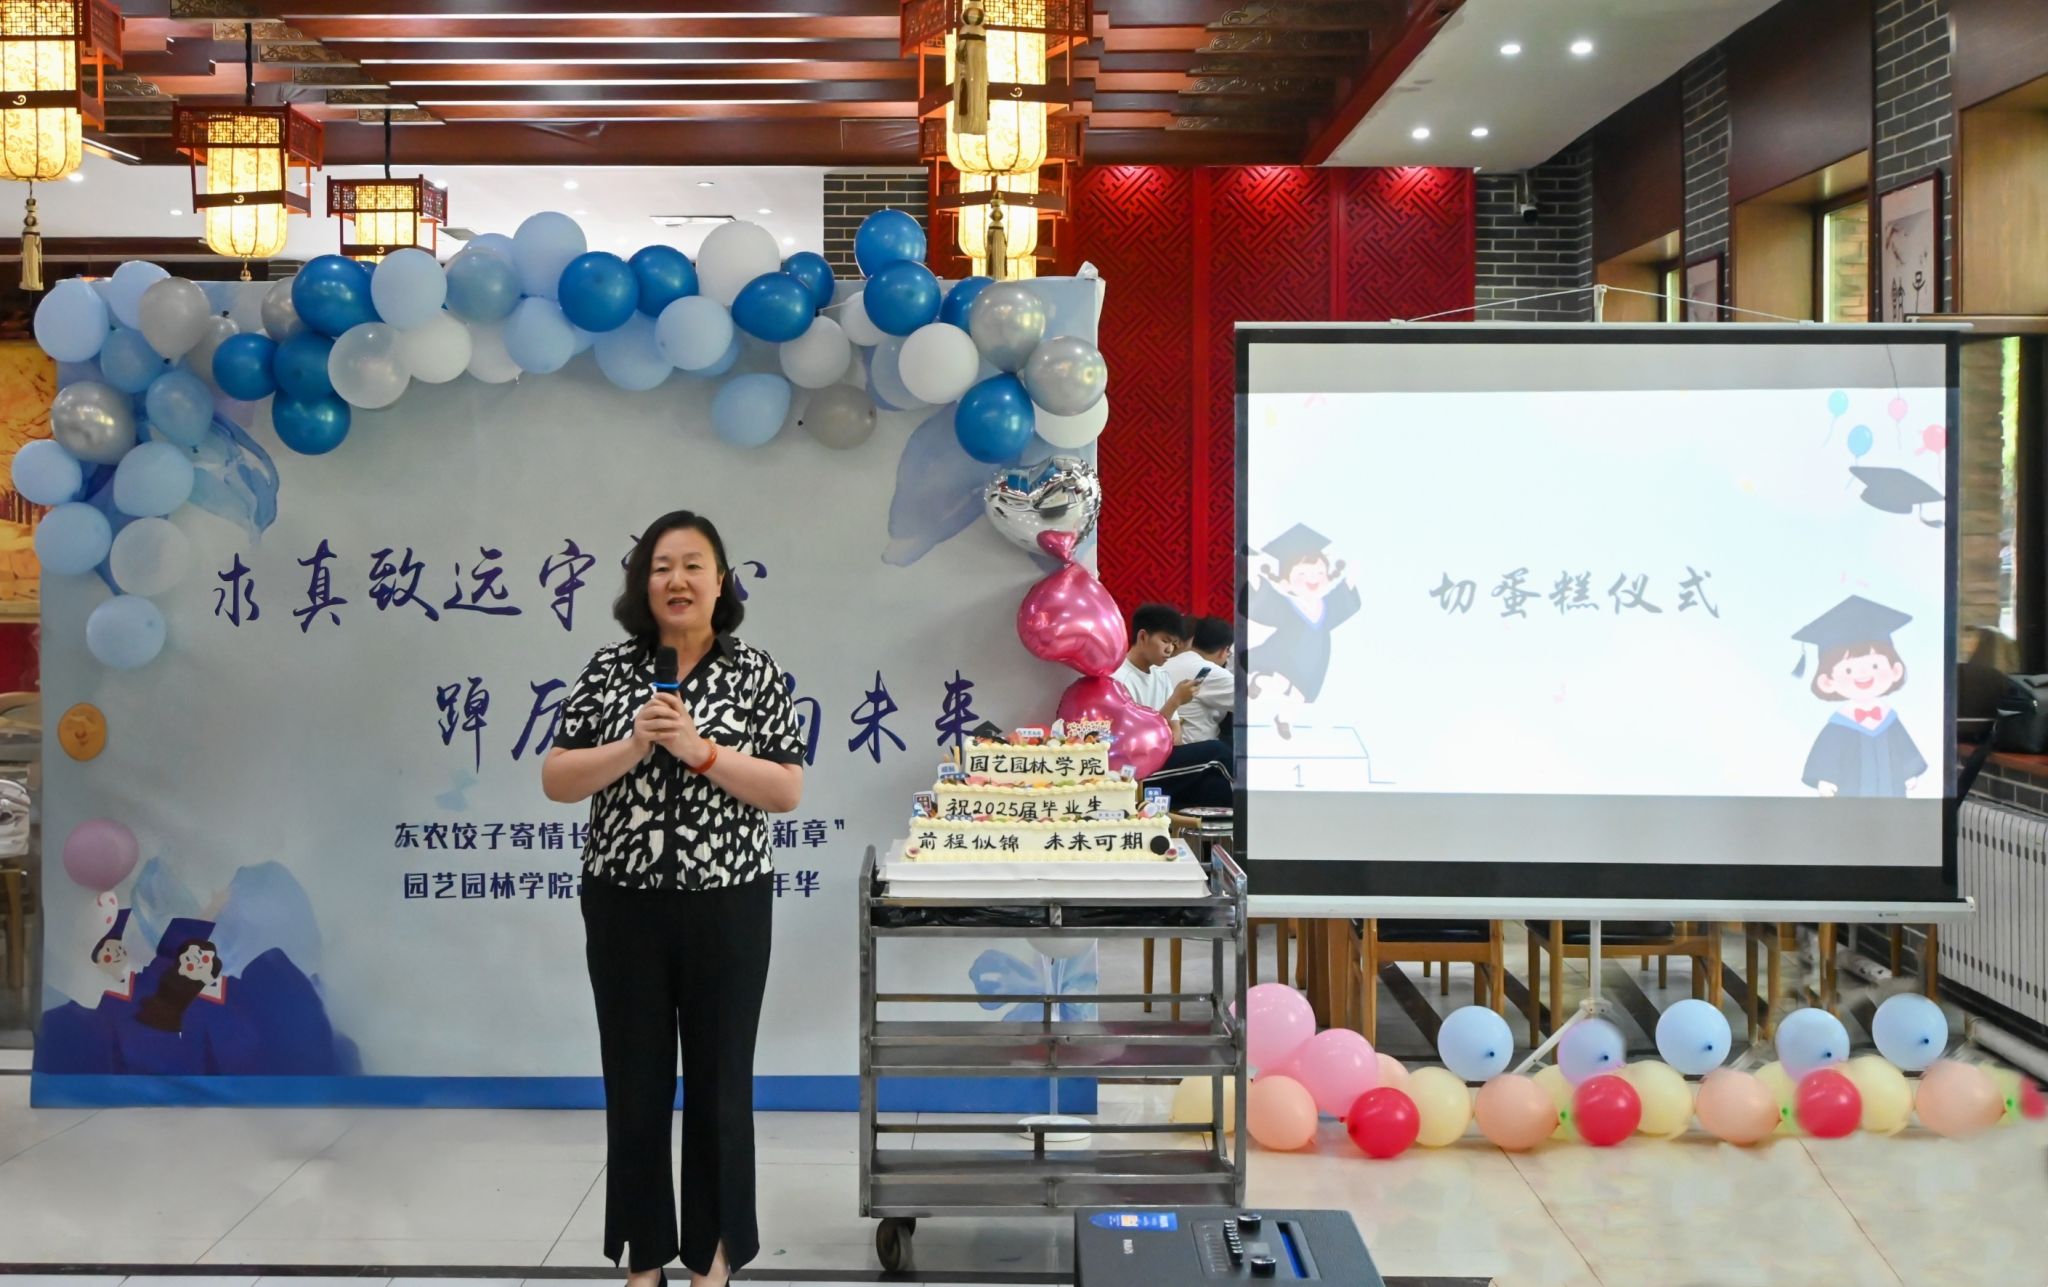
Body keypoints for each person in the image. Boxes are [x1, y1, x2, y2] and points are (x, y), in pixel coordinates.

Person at [542, 510, 808, 1287]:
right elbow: (557, 778)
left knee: (722, 1083)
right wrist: (635, 745)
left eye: (694, 565)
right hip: (623, 903)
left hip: (728, 902)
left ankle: (713, 1254)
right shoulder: (609, 669)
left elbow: (786, 788)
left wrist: (701, 751)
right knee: (635, 1080)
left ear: (720, 582)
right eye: (662, 566)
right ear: (642, 583)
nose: (677, 580)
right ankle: (645, 1256)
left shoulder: (755, 672)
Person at [1112, 603, 1198, 720]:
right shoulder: (1118, 680)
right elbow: (1136, 730)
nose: (1170, 650)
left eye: (1173, 643)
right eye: (1165, 641)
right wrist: (1175, 701)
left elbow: (1175, 729)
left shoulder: (1162, 675)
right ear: (1143, 637)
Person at [1160, 616, 1235, 745]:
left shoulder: (1163, 664)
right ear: (1224, 651)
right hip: (1196, 749)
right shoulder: (1211, 672)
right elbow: (1254, 703)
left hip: (1160, 743)